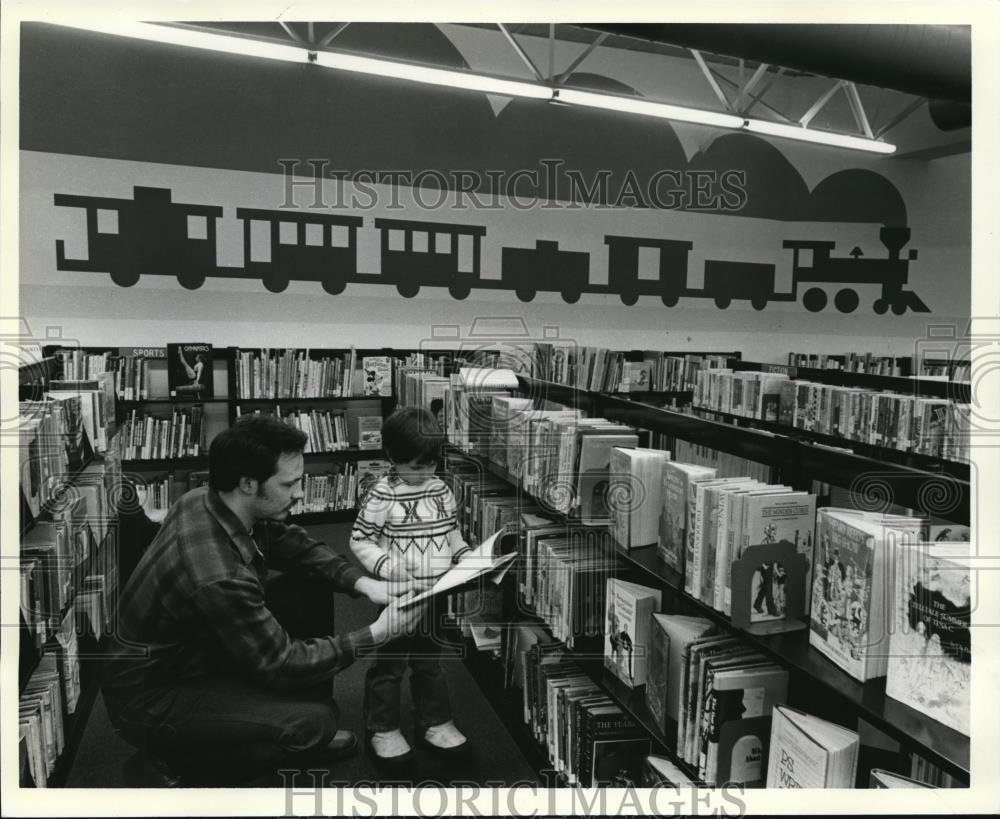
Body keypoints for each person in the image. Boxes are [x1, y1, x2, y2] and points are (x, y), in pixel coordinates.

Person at [101, 415, 426, 786]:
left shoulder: (203, 500)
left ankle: (294, 718)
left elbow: (291, 543)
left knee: (309, 586)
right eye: (289, 484)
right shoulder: (216, 576)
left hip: (189, 652)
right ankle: (175, 761)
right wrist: (377, 633)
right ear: (247, 483)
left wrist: (362, 583)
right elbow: (282, 662)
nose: (300, 493)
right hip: (154, 700)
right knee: (313, 722)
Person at [350, 406, 474, 764]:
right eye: (416, 466)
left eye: (431, 465)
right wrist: (387, 567)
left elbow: (451, 531)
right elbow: (360, 540)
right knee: (389, 663)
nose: (425, 474)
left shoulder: (440, 490)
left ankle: (434, 720)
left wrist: (464, 554)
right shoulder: (381, 495)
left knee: (429, 661)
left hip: (435, 591)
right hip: (400, 595)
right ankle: (382, 726)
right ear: (392, 457)